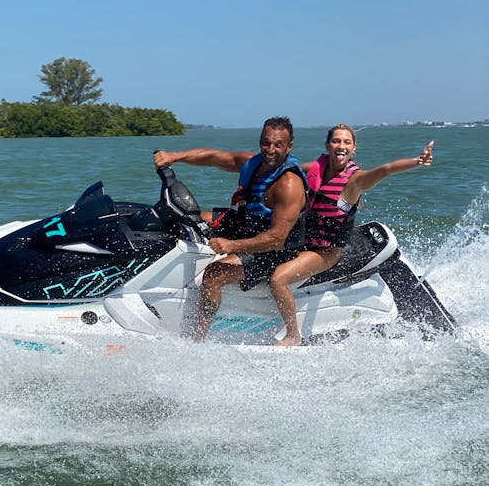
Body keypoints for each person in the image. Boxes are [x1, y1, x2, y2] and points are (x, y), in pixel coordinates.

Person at [268, 124, 435, 346]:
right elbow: (284, 170)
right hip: (301, 242)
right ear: (328, 145)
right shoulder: (315, 168)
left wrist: (417, 161)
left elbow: (385, 169)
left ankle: (292, 335)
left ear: (353, 148)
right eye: (336, 141)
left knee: (279, 280)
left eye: (347, 142)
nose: (341, 146)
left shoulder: (354, 181)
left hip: (326, 252)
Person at [153, 116, 308, 342]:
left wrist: (231, 245)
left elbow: (277, 238)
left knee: (214, 274)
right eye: (266, 143)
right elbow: (215, 157)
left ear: (289, 147)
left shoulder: (289, 185)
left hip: (275, 250)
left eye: (278, 145)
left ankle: (199, 337)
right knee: (190, 219)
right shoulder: (254, 164)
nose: (270, 149)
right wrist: (173, 157)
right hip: (248, 225)